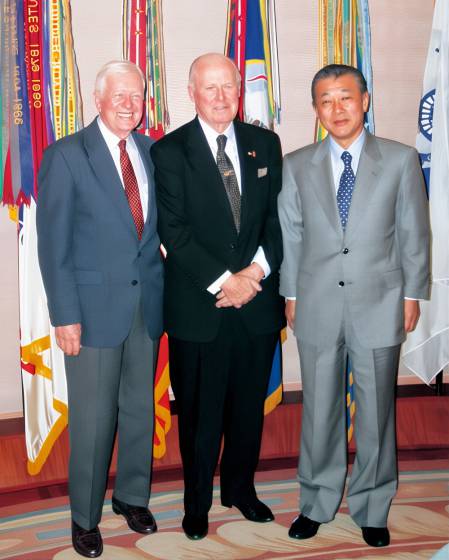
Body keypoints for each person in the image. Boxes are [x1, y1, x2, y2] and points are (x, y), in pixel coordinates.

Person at [278, 64, 430, 548]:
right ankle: (316, 501)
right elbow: (292, 236)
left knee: (375, 413)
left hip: (381, 302)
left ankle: (372, 504)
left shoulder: (401, 160)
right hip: (317, 303)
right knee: (318, 410)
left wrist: (411, 295)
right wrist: (292, 296)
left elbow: (413, 233)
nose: (336, 109)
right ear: (316, 110)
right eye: (325, 100)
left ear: (365, 100)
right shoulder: (297, 164)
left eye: (345, 97)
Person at [151, 52, 285, 540]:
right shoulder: (168, 152)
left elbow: (277, 220)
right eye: (210, 88)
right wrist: (228, 281)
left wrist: (255, 274)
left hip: (257, 307)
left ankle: (241, 490)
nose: (222, 96)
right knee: (201, 417)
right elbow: (175, 232)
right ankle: (197, 504)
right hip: (200, 309)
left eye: (229, 86)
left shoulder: (264, 144)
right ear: (191, 93)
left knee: (248, 409)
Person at [37, 60, 163, 558]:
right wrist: (64, 314)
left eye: (136, 96)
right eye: (120, 96)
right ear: (98, 97)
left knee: (138, 409)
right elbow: (54, 244)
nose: (129, 105)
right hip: (89, 312)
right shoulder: (66, 155)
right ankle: (84, 517)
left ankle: (132, 497)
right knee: (92, 419)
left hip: (146, 306)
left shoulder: (154, 152)